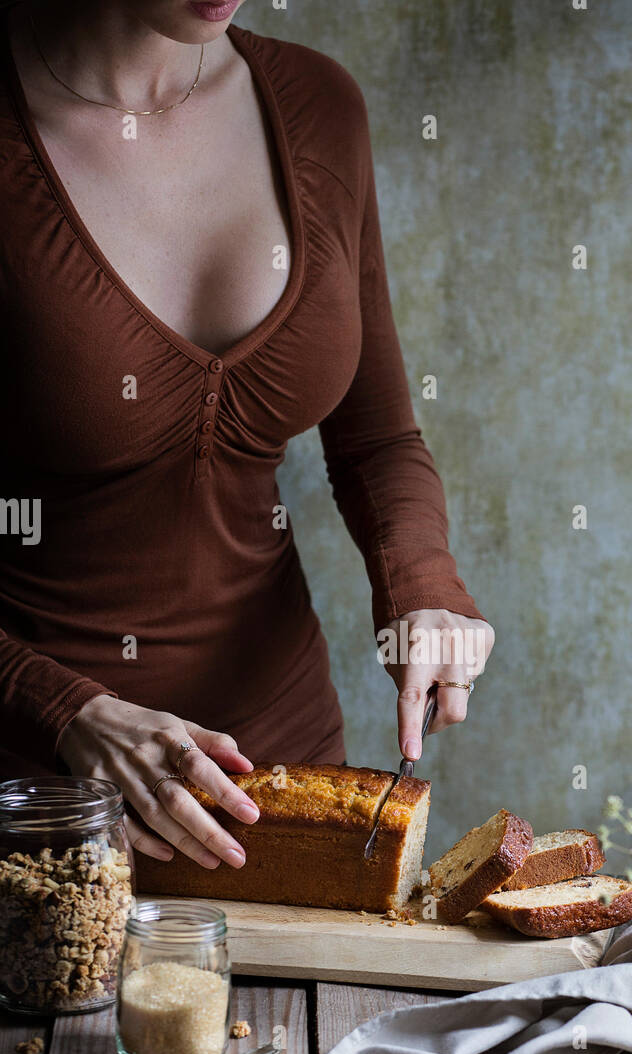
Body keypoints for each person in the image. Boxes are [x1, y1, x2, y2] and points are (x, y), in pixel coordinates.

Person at [0, 0, 493, 870]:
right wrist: (65, 712)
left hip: (280, 782)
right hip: (38, 805)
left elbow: (377, 438)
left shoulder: (317, 102)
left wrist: (423, 586)